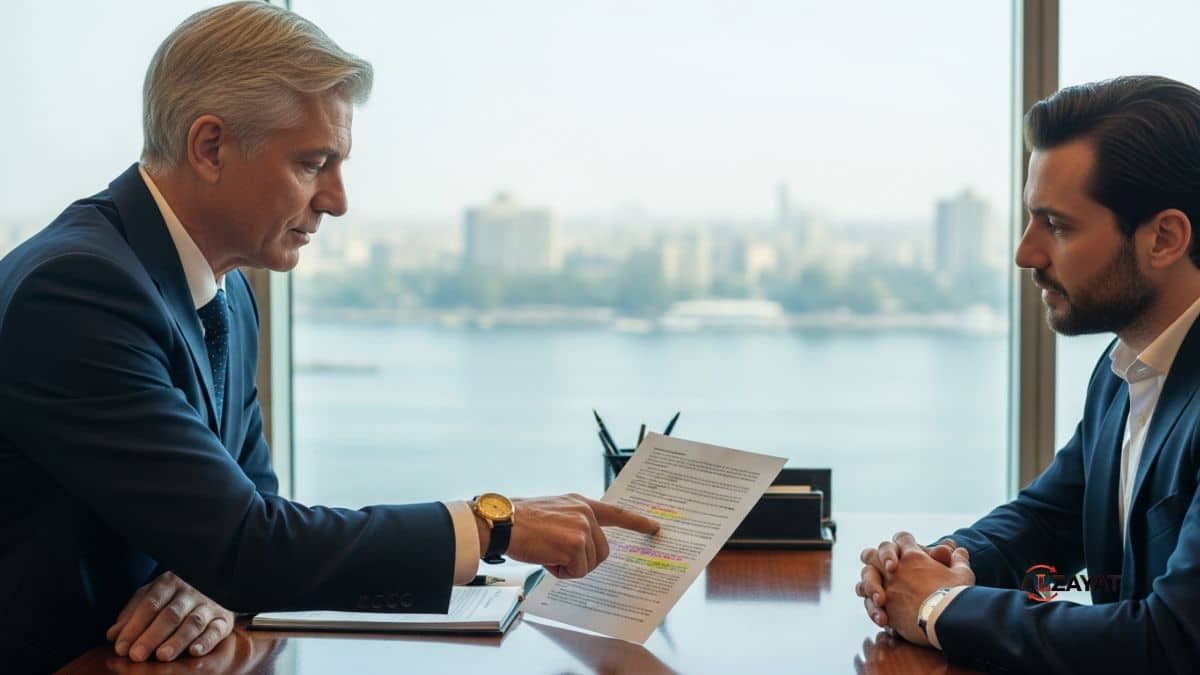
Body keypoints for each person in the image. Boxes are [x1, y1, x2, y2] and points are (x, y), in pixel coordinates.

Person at [0, 3, 658, 672]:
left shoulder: (225, 291)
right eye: (313, 163)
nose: (337, 201)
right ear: (210, 147)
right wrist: (494, 524)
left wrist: (210, 574)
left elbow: (245, 518)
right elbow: (248, 543)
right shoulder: (77, 291)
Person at [856, 74, 1200, 674]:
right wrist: (934, 564)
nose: (1025, 253)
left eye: (1057, 226)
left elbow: (1170, 640)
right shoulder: (1127, 369)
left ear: (1164, 238)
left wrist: (939, 607)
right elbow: (1049, 519)